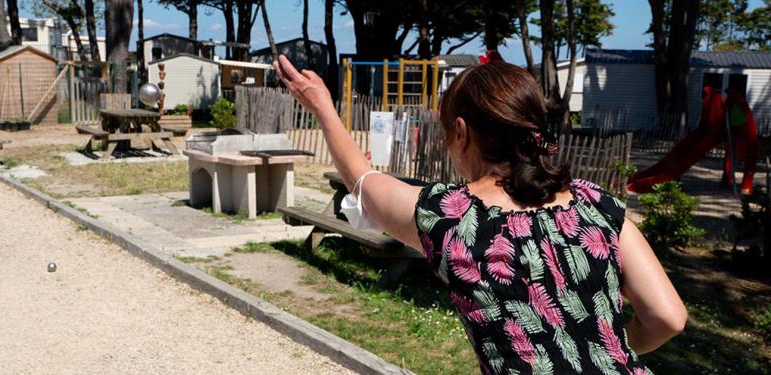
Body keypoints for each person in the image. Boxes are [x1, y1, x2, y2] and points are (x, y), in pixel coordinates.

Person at [272, 55, 687, 374]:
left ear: (462, 132)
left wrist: (323, 106)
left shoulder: (450, 217)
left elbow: (361, 181)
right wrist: (610, 348)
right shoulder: (599, 205)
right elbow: (668, 317)